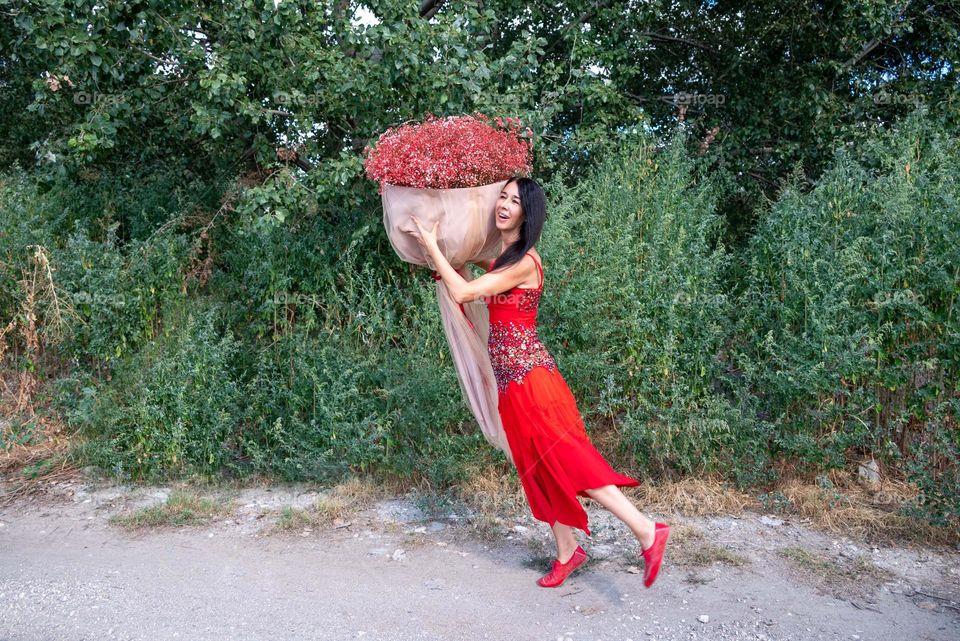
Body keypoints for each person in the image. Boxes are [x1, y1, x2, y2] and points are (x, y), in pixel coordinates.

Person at [410, 176, 670, 589]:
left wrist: (430, 244)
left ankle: (646, 530)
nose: (504, 205)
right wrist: (446, 253)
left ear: (527, 213)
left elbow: (463, 293)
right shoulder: (503, 260)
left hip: (534, 381)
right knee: (537, 470)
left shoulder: (525, 262)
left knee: (571, 462)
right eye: (503, 197)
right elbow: (474, 275)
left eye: (515, 201)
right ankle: (569, 553)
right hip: (512, 384)